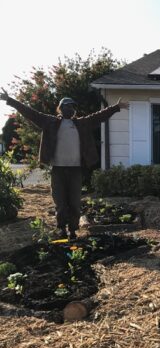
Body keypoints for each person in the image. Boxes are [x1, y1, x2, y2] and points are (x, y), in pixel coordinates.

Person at [0, 88, 128, 240]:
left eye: (72, 107)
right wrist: (10, 100)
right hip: (58, 170)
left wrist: (116, 107)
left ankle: (73, 230)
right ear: (60, 109)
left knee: (74, 202)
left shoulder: (82, 123)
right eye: (66, 106)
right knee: (60, 203)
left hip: (75, 170)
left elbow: (99, 117)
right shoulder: (49, 122)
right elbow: (30, 112)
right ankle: (61, 229)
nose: (70, 109)